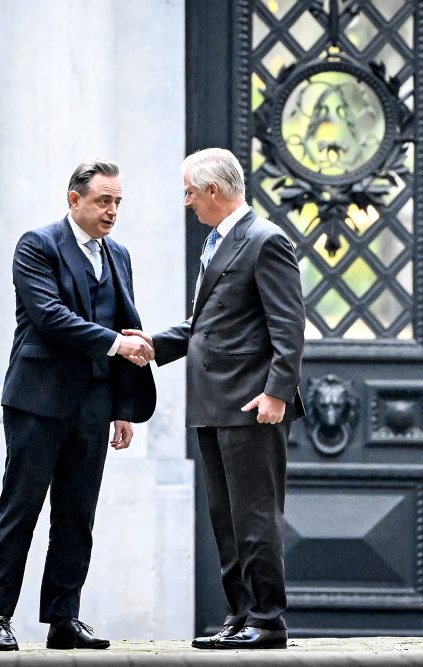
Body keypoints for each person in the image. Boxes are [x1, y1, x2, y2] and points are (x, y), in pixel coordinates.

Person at [124, 147, 305, 650]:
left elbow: (289, 329)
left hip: (251, 405)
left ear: (213, 191)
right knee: (225, 518)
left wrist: (276, 394)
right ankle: (240, 613)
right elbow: (206, 324)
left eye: (188, 192)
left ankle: (268, 621)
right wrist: (152, 345)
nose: (186, 202)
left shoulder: (265, 241)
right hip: (213, 404)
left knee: (254, 516)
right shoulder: (218, 242)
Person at [0, 158, 157, 652]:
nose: (112, 210)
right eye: (103, 200)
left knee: (77, 515)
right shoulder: (37, 245)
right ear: (74, 200)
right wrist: (118, 346)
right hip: (38, 400)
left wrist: (123, 407)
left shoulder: (118, 254)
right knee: (21, 508)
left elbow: (125, 322)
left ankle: (63, 616)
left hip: (94, 403)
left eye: (118, 201)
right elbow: (51, 316)